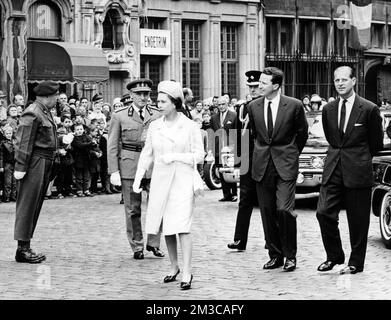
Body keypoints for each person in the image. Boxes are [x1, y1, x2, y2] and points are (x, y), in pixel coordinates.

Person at [133, 80, 204, 290]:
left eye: (163, 101)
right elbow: (147, 154)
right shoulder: (155, 126)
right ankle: (174, 267)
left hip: (182, 180)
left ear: (175, 103)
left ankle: (187, 271)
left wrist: (177, 156)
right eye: (158, 101)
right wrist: (138, 178)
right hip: (161, 181)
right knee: (168, 227)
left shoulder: (190, 126)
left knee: (182, 226)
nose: (159, 104)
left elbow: (199, 155)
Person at [316, 66, 383, 275]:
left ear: (354, 81)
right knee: (323, 212)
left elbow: (376, 143)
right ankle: (334, 256)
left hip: (358, 170)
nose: (340, 83)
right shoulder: (328, 109)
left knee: (358, 219)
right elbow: (332, 138)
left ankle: (356, 262)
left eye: (345, 79)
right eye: (337, 80)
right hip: (333, 167)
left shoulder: (369, 109)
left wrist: (359, 159)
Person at [247, 67, 308, 272]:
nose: (259, 86)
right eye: (259, 82)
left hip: (286, 164)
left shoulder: (294, 106)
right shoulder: (253, 107)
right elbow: (256, 135)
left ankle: (290, 255)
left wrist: (290, 154)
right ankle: (275, 255)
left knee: (284, 209)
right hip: (262, 165)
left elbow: (302, 134)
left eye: (264, 83)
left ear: (276, 85)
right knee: (267, 211)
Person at [108, 78, 164, 260]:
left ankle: (154, 243)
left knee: (158, 206)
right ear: (131, 95)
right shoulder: (120, 115)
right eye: (139, 94)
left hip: (153, 166)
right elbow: (112, 145)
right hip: (129, 165)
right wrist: (114, 171)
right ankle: (137, 245)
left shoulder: (157, 114)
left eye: (146, 94)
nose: (143, 97)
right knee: (133, 209)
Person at [13, 80, 59, 263]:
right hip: (34, 162)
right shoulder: (33, 112)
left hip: (44, 160)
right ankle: (22, 248)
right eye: (55, 95)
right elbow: (23, 142)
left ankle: (25, 245)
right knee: (28, 205)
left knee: (35, 205)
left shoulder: (43, 111)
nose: (56, 98)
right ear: (46, 96)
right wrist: (21, 167)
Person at [227, 70, 263, 251]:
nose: (253, 90)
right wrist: (237, 162)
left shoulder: (266, 105)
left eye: (256, 86)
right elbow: (238, 137)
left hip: (264, 159)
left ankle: (271, 240)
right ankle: (240, 239)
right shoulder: (243, 108)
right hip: (248, 159)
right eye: (250, 87)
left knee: (267, 202)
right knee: (245, 200)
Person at [210, 95, 238, 202]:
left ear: (227, 104)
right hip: (218, 148)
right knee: (221, 171)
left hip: (230, 148)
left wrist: (234, 147)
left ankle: (234, 194)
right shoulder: (214, 118)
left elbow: (236, 133)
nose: (221, 106)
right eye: (219, 105)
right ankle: (226, 194)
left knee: (230, 170)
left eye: (223, 104)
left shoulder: (234, 115)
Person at [71, 123, 95, 197]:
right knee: (79, 176)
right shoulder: (75, 138)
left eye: (81, 129)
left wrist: (93, 144)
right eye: (77, 129)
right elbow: (80, 145)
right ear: (74, 131)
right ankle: (79, 190)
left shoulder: (86, 137)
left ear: (84, 130)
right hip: (78, 159)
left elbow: (92, 145)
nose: (79, 131)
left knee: (86, 175)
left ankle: (86, 189)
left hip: (86, 159)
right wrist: (90, 143)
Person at [0, 125, 17, 202]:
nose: (9, 135)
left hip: (15, 163)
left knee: (14, 181)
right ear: (4, 134)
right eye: (7, 133)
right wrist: (1, 166)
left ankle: (13, 196)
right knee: (8, 181)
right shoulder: (3, 143)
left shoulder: (15, 141)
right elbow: (1, 156)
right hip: (7, 164)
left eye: (10, 133)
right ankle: (6, 196)